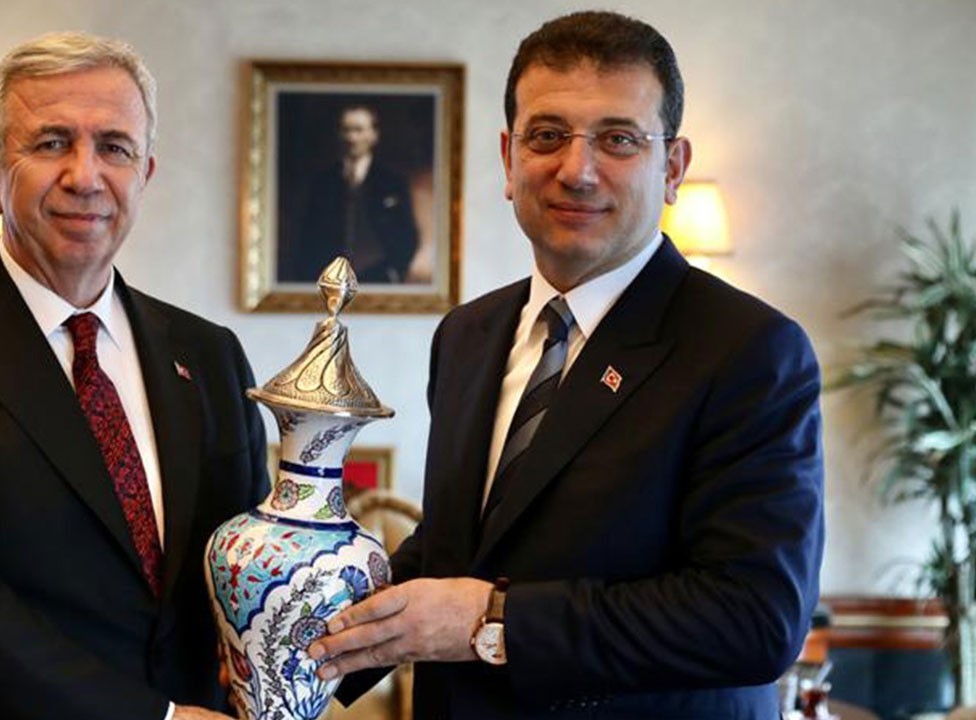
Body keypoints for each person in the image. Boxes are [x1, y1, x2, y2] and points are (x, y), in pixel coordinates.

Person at [308, 11, 824, 719]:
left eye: (618, 139)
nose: (576, 171)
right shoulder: (467, 335)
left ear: (673, 168)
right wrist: (306, 648)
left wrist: (492, 619)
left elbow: (755, 618)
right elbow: (457, 549)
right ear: (508, 159)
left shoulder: (749, 349)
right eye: (547, 136)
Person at [0, 32, 268, 720]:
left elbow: (241, 565)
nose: (85, 176)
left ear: (145, 175)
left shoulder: (209, 355)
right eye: (53, 143)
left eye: (114, 148)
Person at [281, 105, 420, 284]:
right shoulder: (322, 183)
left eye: (358, 130)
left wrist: (393, 270)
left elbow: (407, 236)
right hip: (330, 281)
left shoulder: (392, 182)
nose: (352, 138)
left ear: (374, 135)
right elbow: (306, 237)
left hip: (378, 279)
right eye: (346, 130)